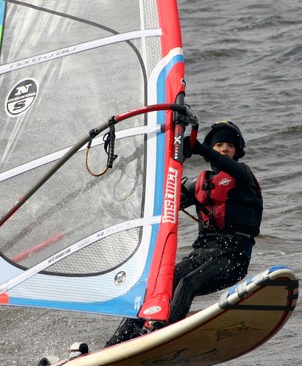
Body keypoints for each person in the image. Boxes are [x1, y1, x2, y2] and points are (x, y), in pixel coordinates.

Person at [104, 121, 263, 347]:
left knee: (188, 284)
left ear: (237, 151)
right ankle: (114, 344)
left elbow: (230, 167)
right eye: (219, 145)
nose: (224, 149)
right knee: (158, 287)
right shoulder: (202, 183)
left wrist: (199, 148)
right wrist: (122, 212)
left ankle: (161, 332)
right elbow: (164, 206)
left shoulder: (243, 175)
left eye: (229, 145)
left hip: (232, 256)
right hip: (202, 253)